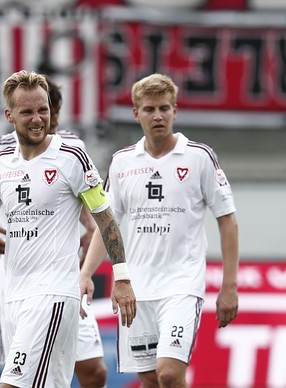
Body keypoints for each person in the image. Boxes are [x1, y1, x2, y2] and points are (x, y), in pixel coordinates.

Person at [0, 70, 136, 388]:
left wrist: (121, 277)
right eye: (28, 112)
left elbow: (105, 218)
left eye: (44, 110)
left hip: (53, 293)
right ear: (9, 115)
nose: (38, 119)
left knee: (14, 384)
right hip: (13, 294)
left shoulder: (73, 156)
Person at [82, 73, 239, 388]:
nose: (158, 116)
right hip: (136, 289)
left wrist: (229, 286)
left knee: (169, 372)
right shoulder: (122, 162)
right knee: (151, 380)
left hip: (182, 285)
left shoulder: (199, 157)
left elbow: (227, 219)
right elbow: (107, 222)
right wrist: (86, 273)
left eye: (165, 108)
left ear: (175, 111)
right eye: (150, 109)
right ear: (136, 113)